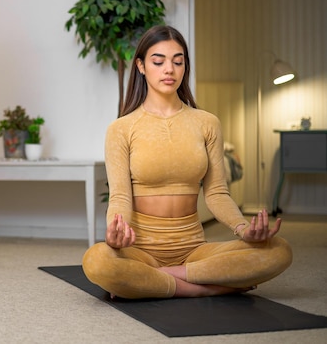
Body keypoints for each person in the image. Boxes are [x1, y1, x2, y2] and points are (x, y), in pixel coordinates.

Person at [82, 25, 292, 299]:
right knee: (96, 260)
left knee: (279, 250)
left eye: (177, 61)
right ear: (141, 66)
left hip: (194, 250)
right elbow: (120, 196)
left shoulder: (207, 123)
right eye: (158, 61)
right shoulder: (121, 129)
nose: (169, 69)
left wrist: (243, 230)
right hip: (141, 253)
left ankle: (164, 281)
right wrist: (115, 233)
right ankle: (206, 287)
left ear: (184, 67)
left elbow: (216, 193)